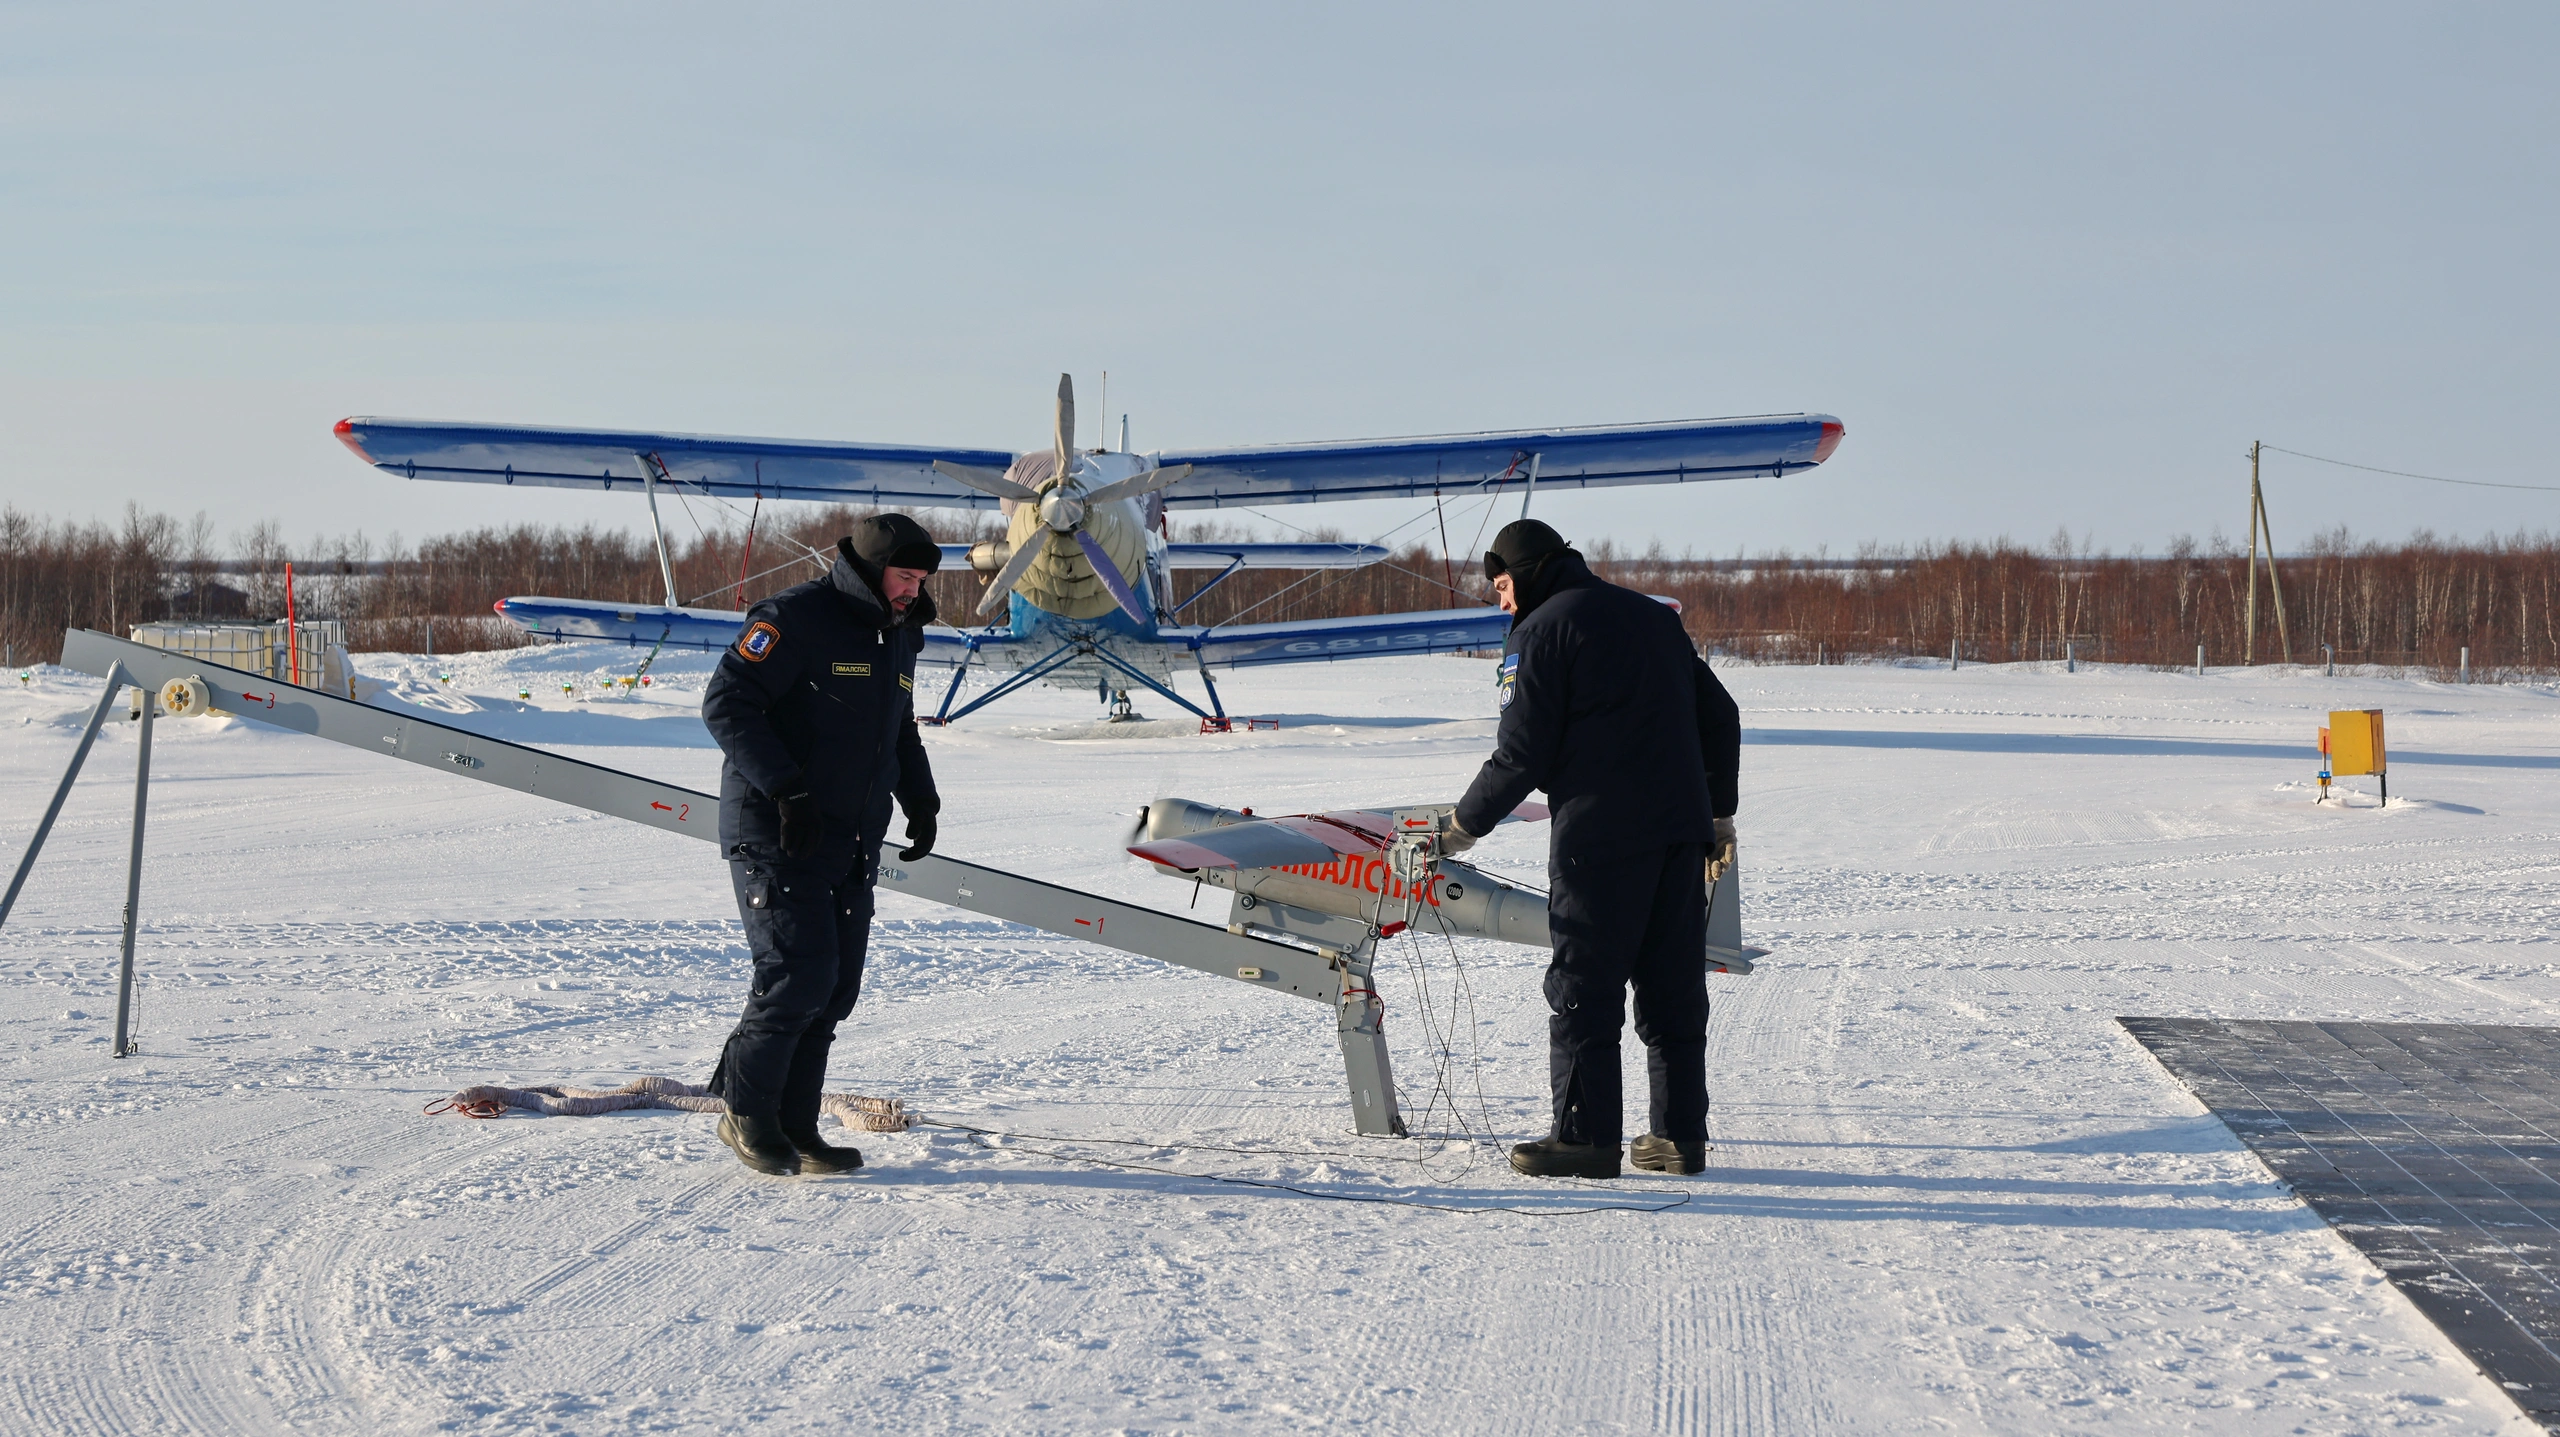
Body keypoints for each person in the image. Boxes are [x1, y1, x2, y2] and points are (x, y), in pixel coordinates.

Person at [1446, 520, 1740, 1180]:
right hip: (1680, 831)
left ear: (1529, 572)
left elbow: (1522, 753)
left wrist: (1462, 825)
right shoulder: (1652, 617)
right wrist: (1719, 815)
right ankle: (1677, 1139)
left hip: (1601, 832)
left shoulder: (1541, 630)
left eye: (1500, 586)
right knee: (1672, 987)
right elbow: (1720, 715)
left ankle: (1584, 1137)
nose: (1499, 602)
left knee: (1586, 981)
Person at [699, 514, 945, 1177]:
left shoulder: (901, 633)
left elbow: (897, 728)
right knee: (796, 975)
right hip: (776, 829)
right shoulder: (795, 617)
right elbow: (727, 703)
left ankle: (797, 1125)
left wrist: (919, 797)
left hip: (852, 836)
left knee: (833, 988)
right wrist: (787, 790)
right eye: (903, 576)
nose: (911, 590)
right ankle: (746, 1115)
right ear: (869, 567)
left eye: (921, 580)